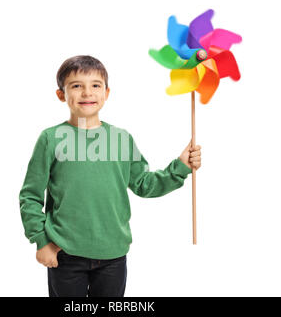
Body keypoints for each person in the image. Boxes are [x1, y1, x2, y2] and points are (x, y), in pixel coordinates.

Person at [19, 55, 202, 297]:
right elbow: (30, 195)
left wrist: (180, 166)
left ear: (106, 93)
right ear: (61, 94)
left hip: (113, 255)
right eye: (76, 86)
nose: (87, 93)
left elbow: (143, 184)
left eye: (95, 85)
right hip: (64, 253)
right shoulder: (50, 138)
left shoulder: (121, 139)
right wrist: (41, 240)